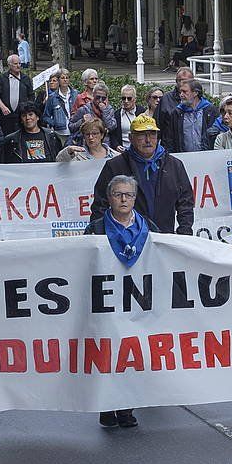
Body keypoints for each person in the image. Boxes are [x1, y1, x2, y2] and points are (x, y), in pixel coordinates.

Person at [84, 174, 155, 429]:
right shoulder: (96, 228)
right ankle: (106, 406)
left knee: (132, 355)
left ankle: (126, 407)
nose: (124, 199)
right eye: (118, 194)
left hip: (137, 302)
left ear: (135, 199)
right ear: (109, 198)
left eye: (128, 195)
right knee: (106, 355)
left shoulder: (149, 228)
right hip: (106, 301)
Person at [90, 114, 193, 235]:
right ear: (130, 137)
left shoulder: (175, 166)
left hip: (164, 239)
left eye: (152, 134)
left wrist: (184, 234)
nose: (148, 140)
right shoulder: (114, 166)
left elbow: (185, 204)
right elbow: (100, 206)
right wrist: (99, 237)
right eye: (142, 135)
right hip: (125, 240)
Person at [164, 79, 218, 153]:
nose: (181, 95)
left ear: (195, 93)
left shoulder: (210, 110)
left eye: (185, 92)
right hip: (184, 157)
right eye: (180, 92)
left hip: (207, 156)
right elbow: (170, 138)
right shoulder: (177, 112)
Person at [0, 55, 33, 136]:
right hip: (6, 116)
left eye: (19, 63)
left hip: (21, 115)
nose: (18, 65)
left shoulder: (26, 79)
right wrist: (2, 107)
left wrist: (27, 110)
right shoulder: (2, 78)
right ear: (9, 65)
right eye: (15, 64)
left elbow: (31, 96)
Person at [42, 69, 77, 145]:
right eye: (62, 78)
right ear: (58, 80)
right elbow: (45, 116)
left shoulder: (76, 94)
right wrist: (55, 123)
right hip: (60, 133)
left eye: (67, 78)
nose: (65, 80)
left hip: (74, 132)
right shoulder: (52, 97)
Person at [113, 84, 145, 151]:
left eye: (129, 98)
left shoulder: (142, 112)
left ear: (135, 99)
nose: (126, 101)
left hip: (139, 150)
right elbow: (113, 134)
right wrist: (116, 145)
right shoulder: (116, 114)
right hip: (122, 151)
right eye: (123, 98)